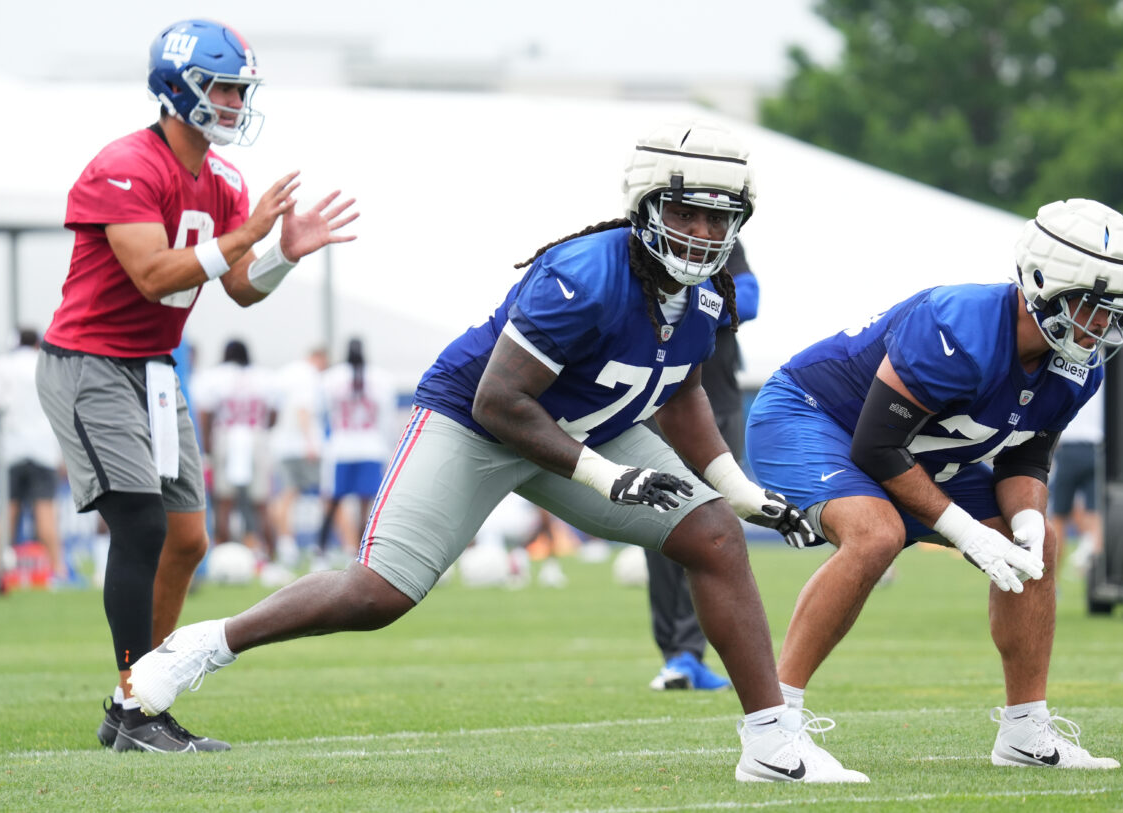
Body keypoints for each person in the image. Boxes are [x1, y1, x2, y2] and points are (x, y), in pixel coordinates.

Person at [127, 119, 870, 784]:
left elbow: (681, 393)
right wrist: (608, 477)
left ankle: (771, 743)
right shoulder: (582, 274)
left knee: (714, 533)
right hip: (477, 422)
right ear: (645, 206)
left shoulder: (709, 294)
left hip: (588, 427)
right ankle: (201, 646)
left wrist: (740, 491)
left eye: (719, 218)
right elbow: (500, 400)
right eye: (686, 212)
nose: (704, 232)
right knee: (377, 593)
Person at [34, 18, 358, 753]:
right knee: (142, 525)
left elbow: (240, 287)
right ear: (179, 89)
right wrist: (245, 237)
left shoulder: (225, 181)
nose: (237, 103)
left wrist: (283, 253)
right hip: (90, 360)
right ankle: (135, 704)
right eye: (224, 88)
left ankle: (141, 696)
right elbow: (152, 275)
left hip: (154, 368)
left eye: (242, 90)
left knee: (187, 537)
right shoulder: (125, 164)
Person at [745, 198, 1123, 775]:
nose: (1103, 326)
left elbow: (1027, 459)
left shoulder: (1077, 363)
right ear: (1044, 282)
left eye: (1116, 312)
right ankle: (773, 729)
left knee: (1041, 546)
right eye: (1093, 306)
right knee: (875, 533)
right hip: (814, 417)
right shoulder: (960, 326)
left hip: (916, 451)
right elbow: (875, 445)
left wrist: (1027, 524)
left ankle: (1025, 731)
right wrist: (962, 531)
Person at [644, 239, 757, 692]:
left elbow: (748, 301)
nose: (700, 227)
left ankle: (689, 653)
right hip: (658, 402)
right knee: (655, 523)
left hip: (720, 404)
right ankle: (676, 654)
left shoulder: (724, 242)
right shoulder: (648, 243)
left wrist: (687, 289)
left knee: (713, 523)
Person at [0, 328, 68, 592]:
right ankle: (58, 572)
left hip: (10, 448)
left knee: (7, 512)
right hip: (43, 448)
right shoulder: (46, 364)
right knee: (46, 512)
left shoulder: (2, 365)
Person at [194, 339, 278, 561]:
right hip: (255, 435)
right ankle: (271, 554)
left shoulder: (214, 377)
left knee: (224, 500)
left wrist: (208, 445)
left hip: (227, 436)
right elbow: (273, 415)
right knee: (261, 502)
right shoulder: (264, 377)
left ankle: (224, 552)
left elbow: (206, 415)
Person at [315, 338, 396, 566]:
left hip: (342, 447)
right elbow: (386, 420)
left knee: (333, 502)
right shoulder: (381, 379)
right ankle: (362, 554)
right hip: (371, 447)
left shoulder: (331, 378)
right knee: (366, 506)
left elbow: (322, 412)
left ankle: (321, 551)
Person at [268, 346, 328, 566]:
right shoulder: (308, 376)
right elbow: (303, 408)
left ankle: (286, 546)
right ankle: (337, 548)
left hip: (282, 445)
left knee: (285, 496)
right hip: (302, 446)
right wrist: (310, 441)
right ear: (319, 359)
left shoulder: (285, 374)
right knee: (327, 495)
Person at [1048, 391, 1103, 574]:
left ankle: (1053, 582)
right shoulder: (1102, 380)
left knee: (1058, 519)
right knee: (1095, 516)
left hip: (1068, 451)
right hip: (1095, 451)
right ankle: (1095, 577)